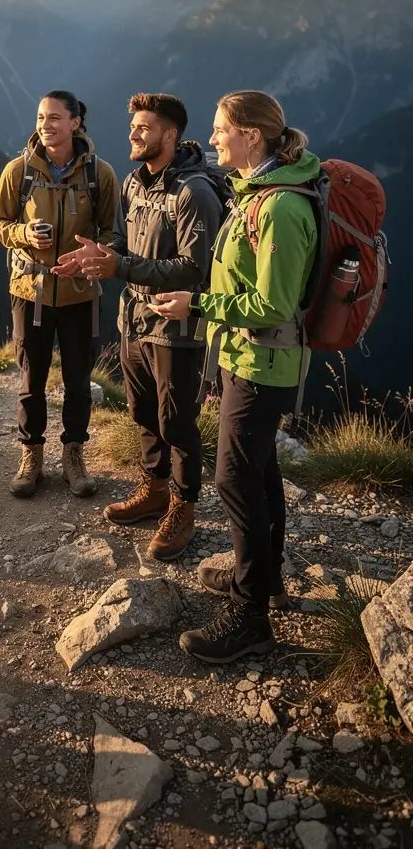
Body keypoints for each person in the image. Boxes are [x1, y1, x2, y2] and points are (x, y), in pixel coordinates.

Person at [151, 90, 319, 664]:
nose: (214, 137)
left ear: (252, 135)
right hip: (248, 358)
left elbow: (271, 305)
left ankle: (252, 618)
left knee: (232, 479)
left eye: (223, 129)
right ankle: (264, 580)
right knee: (260, 468)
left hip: (264, 362)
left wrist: (197, 304)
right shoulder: (258, 191)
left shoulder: (279, 208)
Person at [58, 93, 224, 560]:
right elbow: (122, 244)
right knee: (142, 411)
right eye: (133, 126)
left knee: (178, 422)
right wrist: (96, 254)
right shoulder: (134, 183)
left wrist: (121, 267)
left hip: (177, 326)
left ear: (170, 135)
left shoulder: (194, 193)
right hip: (134, 320)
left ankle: (183, 507)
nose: (133, 134)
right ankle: (153, 490)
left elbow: (194, 267)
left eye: (144, 128)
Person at [0, 91, 119, 498]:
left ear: (76, 123)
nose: (46, 125)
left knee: (79, 378)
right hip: (31, 290)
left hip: (81, 292)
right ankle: (31, 454)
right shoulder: (18, 171)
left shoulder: (100, 174)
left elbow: (112, 232)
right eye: (42, 117)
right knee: (32, 377)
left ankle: (74, 454)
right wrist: (23, 234)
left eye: (55, 118)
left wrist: (90, 256)